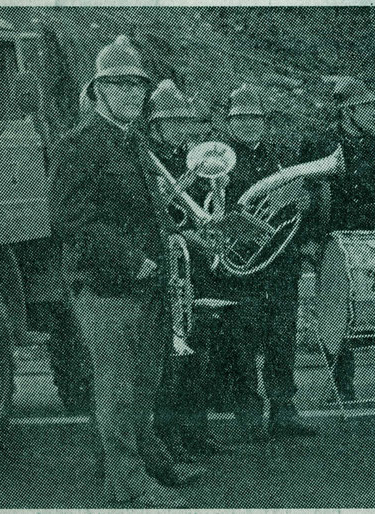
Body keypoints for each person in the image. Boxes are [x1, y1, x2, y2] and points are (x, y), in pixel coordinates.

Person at [48, 35, 202, 508]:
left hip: (146, 286)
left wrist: (183, 239)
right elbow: (72, 223)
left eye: (137, 87)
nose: (132, 94)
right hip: (107, 289)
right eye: (119, 86)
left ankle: (150, 460)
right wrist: (134, 261)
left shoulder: (132, 142)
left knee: (143, 383)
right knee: (116, 390)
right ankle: (126, 484)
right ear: (98, 92)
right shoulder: (80, 144)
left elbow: (149, 210)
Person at [188, 82, 320, 440]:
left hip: (279, 262)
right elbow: (204, 210)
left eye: (255, 118)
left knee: (282, 337)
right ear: (230, 123)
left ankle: (284, 409)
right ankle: (248, 412)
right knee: (240, 342)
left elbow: (302, 199)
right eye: (241, 119)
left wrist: (305, 201)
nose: (249, 124)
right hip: (239, 267)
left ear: (264, 122)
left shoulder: (281, 158)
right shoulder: (215, 161)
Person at [299, 76, 375, 402]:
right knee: (335, 305)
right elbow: (306, 195)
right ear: (348, 111)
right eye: (366, 107)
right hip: (333, 238)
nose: (374, 112)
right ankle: (342, 384)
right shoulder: (319, 146)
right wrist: (310, 239)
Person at [145, 79, 228, 460]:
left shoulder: (190, 160)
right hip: (173, 264)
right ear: (157, 125)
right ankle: (170, 439)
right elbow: (158, 220)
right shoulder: (148, 158)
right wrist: (189, 233)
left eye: (184, 122)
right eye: (172, 122)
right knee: (171, 361)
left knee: (199, 355)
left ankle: (196, 432)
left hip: (198, 268)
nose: (181, 128)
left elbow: (205, 212)